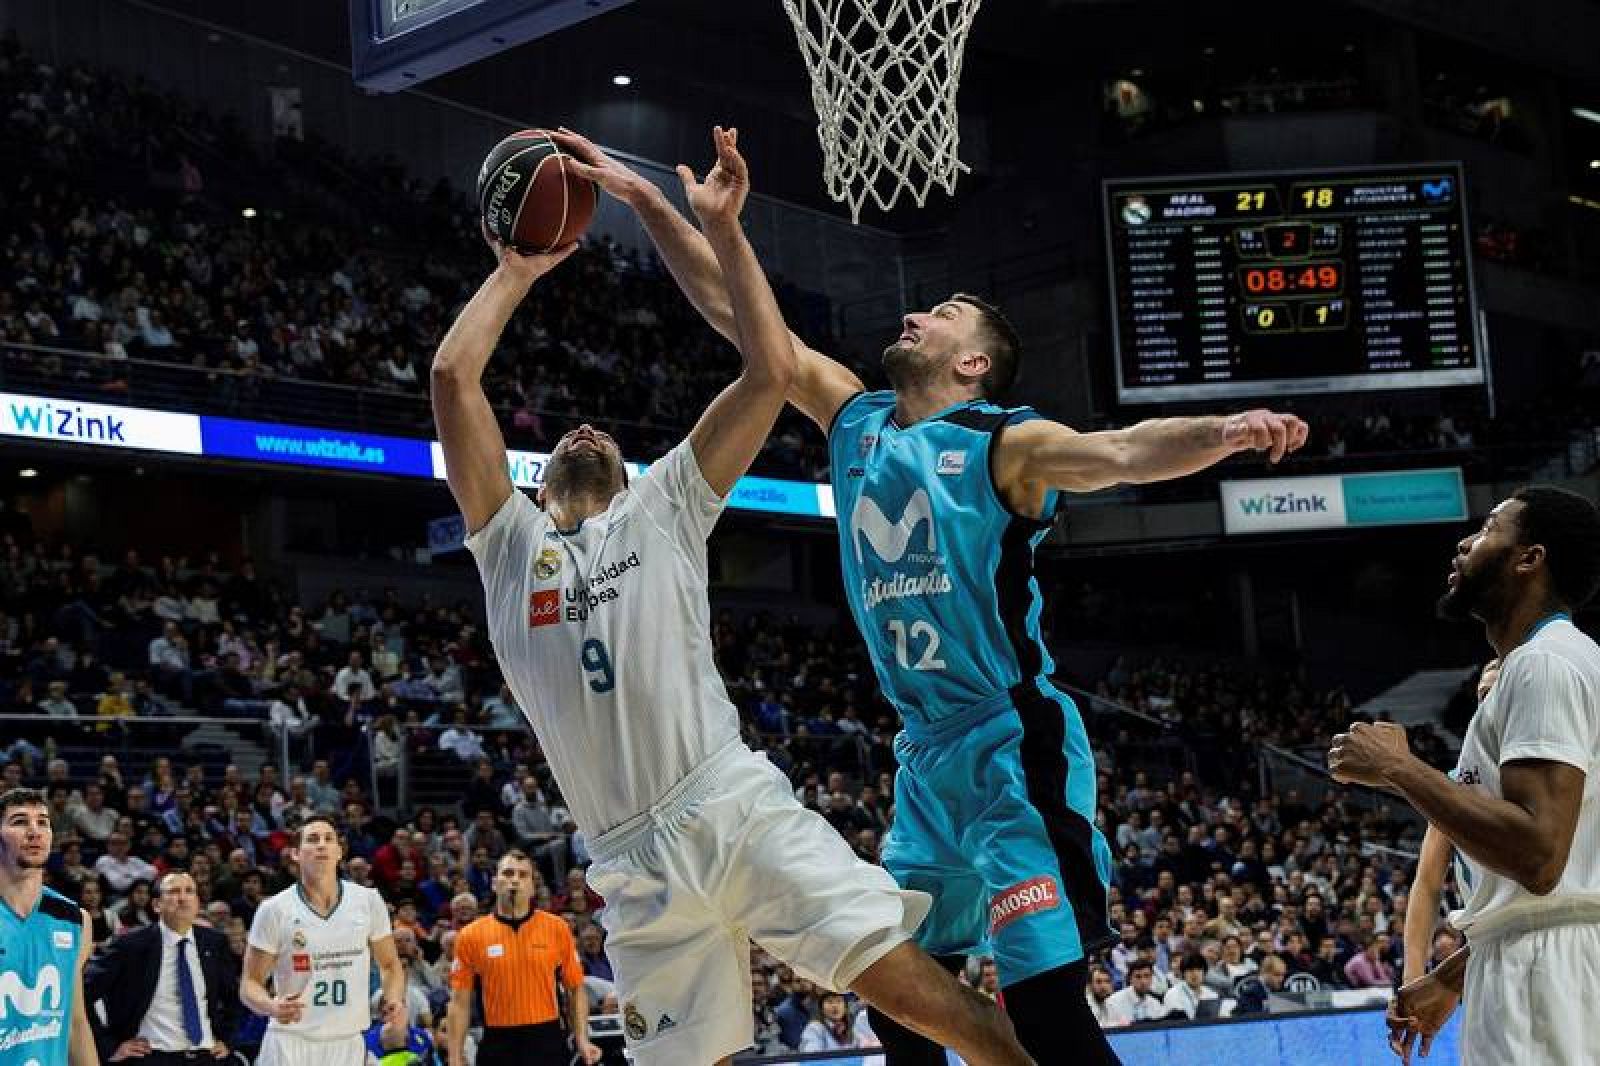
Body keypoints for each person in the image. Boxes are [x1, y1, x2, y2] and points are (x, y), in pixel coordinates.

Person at [554, 124, 1308, 1065]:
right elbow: (739, 321)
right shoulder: (855, 418)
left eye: (947, 312)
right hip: (925, 767)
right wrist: (657, 208)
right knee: (901, 1014)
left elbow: (1121, 454)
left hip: (1008, 746)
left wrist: (1228, 429)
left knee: (1044, 1013)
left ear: (974, 363)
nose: (921, 313)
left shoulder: (1007, 442)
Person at [433, 126, 1031, 1066]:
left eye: (604, 433)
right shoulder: (509, 548)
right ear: (534, 486)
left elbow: (769, 370)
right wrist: (518, 269)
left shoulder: (665, 502)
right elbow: (451, 376)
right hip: (628, 862)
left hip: (730, 808)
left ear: (628, 473)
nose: (585, 427)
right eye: (563, 437)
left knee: (932, 1004)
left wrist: (690, 220)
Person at [1329, 486, 1600, 1065]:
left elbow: (1538, 856)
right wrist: (1453, 973)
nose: (1464, 543)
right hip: (1536, 961)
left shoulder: (1543, 663)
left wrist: (1399, 768)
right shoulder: (1559, 660)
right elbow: (1559, 882)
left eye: (1488, 529)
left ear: (1530, 558)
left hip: (1544, 974)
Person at [240, 815, 407, 1066]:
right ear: (295, 853)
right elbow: (249, 984)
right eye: (313, 839)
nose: (321, 845)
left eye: (329, 839)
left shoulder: (368, 901)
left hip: (347, 1040)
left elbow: (390, 965)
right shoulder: (274, 909)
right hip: (291, 1040)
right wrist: (271, 1006)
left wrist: (393, 999)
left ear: (339, 852)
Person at [446, 850, 600, 1066]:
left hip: (548, 1040)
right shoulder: (471, 936)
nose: (515, 880)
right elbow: (459, 1002)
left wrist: (582, 1039)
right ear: (494, 883)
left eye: (523, 875)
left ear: (532, 886)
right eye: (508, 873)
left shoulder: (557, 929)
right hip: (497, 1042)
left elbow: (575, 989)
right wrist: (455, 1056)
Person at [84, 871, 240, 1064]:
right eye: (174, 891)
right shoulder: (130, 945)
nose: (183, 898)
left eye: (189, 891)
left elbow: (233, 998)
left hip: (206, 1056)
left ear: (198, 902)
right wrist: (108, 1044)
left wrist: (227, 1039)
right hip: (151, 1057)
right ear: (157, 905)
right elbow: (82, 992)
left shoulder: (214, 942)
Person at [0, 787, 98, 1065]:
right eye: (19, 822)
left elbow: (76, 1024)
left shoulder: (75, 920)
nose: (34, 831)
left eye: (42, 822)